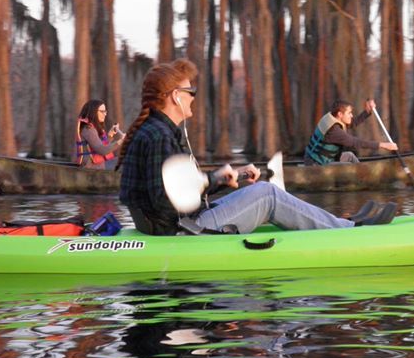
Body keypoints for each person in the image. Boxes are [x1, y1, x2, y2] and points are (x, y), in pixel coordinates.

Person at [117, 58, 396, 235]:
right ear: (176, 97)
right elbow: (166, 204)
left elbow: (175, 193)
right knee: (267, 195)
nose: (194, 99)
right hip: (182, 230)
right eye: (191, 93)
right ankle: (347, 230)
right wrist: (212, 179)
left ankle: (339, 223)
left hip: (182, 221)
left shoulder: (158, 131)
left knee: (265, 190)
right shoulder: (159, 137)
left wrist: (225, 178)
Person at [304, 98, 398, 165]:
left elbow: (353, 123)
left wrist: (367, 111)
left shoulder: (332, 118)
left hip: (322, 159)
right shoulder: (333, 131)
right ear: (340, 114)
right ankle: (361, 179)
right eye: (349, 113)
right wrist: (383, 145)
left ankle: (362, 176)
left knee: (349, 155)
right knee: (347, 167)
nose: (352, 115)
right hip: (316, 164)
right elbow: (356, 142)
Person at [74, 99, 125, 170]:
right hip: (89, 168)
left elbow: (101, 146)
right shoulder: (88, 129)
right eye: (102, 111)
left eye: (105, 111)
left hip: (96, 167)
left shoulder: (94, 128)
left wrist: (110, 136)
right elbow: (102, 150)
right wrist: (121, 141)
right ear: (93, 112)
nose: (105, 114)